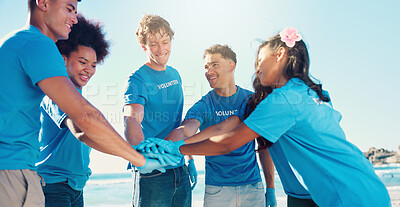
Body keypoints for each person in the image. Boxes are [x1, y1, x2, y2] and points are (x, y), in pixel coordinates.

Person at [138, 27, 392, 207]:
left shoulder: (282, 101)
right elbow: (228, 126)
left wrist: (178, 150)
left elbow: (229, 141)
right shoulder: (311, 93)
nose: (256, 68)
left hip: (349, 196)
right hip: (356, 186)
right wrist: (176, 145)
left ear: (280, 54)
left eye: (260, 59)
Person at [0, 1, 164, 206]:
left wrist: (135, 156)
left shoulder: (21, 43)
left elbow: (86, 133)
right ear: (42, 3)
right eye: (69, 9)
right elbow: (84, 121)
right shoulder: (37, 44)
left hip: (34, 174)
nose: (74, 18)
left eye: (93, 65)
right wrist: (140, 160)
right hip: (18, 174)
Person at [164, 44, 276, 207]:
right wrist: (164, 145)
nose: (209, 71)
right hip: (217, 191)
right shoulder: (204, 105)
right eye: (206, 67)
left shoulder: (251, 101)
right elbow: (187, 130)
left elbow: (264, 146)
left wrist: (271, 187)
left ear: (231, 66)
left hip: (253, 187)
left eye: (215, 65)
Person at [35, 14, 109, 207]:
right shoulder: (56, 92)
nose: (89, 70)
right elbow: (81, 131)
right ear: (63, 58)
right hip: (53, 187)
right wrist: (128, 153)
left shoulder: (78, 97)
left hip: (76, 187)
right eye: (82, 62)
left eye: (93, 65)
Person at [123, 14, 191, 207]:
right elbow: (132, 120)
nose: (161, 50)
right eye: (153, 44)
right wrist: (142, 161)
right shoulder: (137, 79)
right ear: (144, 46)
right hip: (153, 172)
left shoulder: (175, 74)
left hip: (179, 166)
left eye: (165, 41)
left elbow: (179, 124)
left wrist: (189, 157)